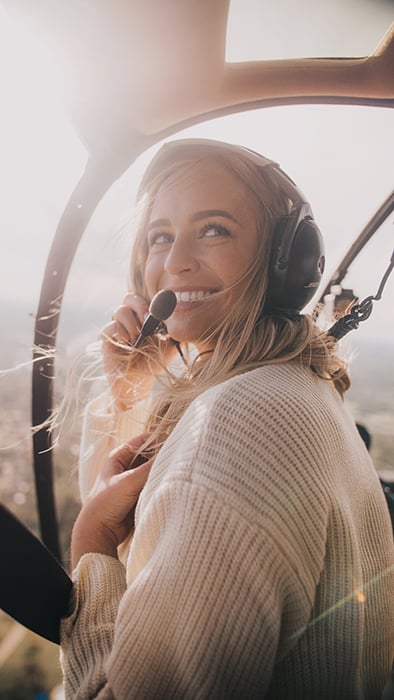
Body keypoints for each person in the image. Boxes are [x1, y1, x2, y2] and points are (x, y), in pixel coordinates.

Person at [60, 139, 394, 699]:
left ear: (287, 261)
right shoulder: (291, 384)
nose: (174, 262)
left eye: (213, 229)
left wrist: (90, 549)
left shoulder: (236, 422)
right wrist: (128, 392)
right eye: (160, 237)